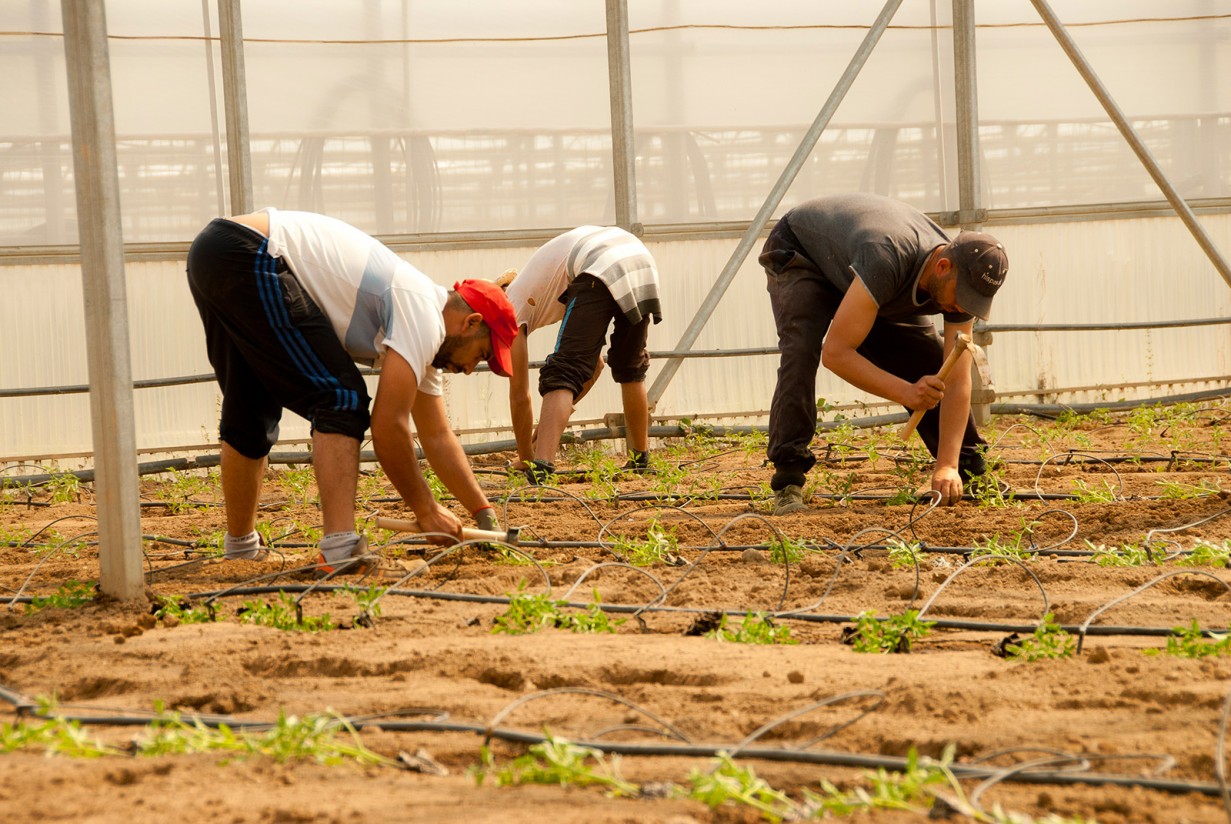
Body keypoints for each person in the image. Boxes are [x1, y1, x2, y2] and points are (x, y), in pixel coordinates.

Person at [186, 207, 518, 575]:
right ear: (471, 323)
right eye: (482, 355)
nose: (471, 369)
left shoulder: (424, 328)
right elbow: (388, 425)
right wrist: (426, 510)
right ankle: (341, 550)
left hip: (215, 251)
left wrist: (482, 513)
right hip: (252, 252)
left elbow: (437, 435)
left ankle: (240, 548)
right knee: (340, 399)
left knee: (250, 405)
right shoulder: (422, 313)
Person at [761, 192, 1008, 514]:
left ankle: (966, 466)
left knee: (932, 367)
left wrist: (946, 464)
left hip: (863, 263)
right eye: (962, 296)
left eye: (973, 302)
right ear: (943, 266)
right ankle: (788, 477)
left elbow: (957, 378)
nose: (963, 307)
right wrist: (906, 391)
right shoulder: (887, 259)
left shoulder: (960, 279)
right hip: (802, 252)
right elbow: (836, 354)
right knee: (801, 349)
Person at [501, 226, 663, 480]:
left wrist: (525, 457)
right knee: (630, 366)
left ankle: (540, 466)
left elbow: (520, 397)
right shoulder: (542, 284)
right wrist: (549, 424)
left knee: (563, 369)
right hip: (640, 260)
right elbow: (595, 364)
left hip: (599, 264)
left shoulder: (508, 309)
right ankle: (640, 460)